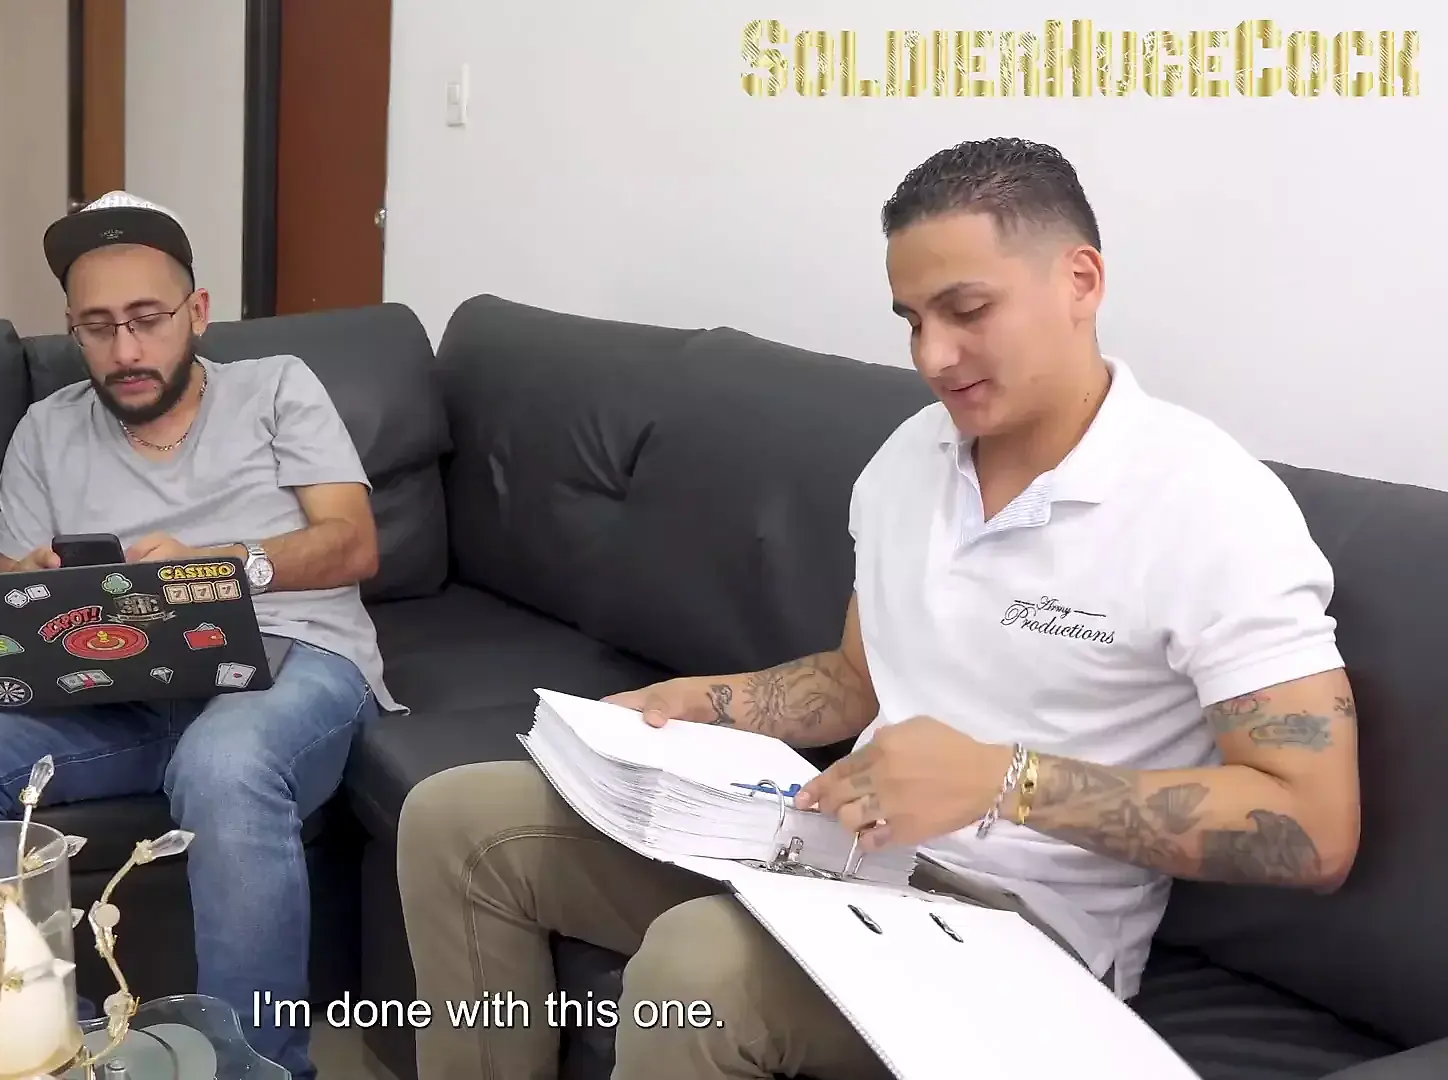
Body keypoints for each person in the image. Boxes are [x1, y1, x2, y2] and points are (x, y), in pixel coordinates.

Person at [395, 138, 1361, 1080]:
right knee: (458, 820)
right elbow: (860, 679)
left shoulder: (1209, 506)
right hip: (840, 849)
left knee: (701, 971)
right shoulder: (911, 460)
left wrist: (1005, 782)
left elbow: (1315, 828)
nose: (934, 356)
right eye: (912, 320)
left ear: (1080, 281)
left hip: (1028, 925)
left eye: (967, 310)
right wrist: (704, 704)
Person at [0, 191, 401, 1080]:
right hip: (120, 682)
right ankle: (49, 1051)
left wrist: (215, 570)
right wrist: (38, 584)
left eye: (148, 320)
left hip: (288, 656)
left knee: (224, 763)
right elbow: (11, 598)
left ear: (197, 311)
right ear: (73, 332)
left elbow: (353, 543)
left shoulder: (277, 387)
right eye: (98, 327)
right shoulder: (45, 431)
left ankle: (253, 1068)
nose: (125, 351)